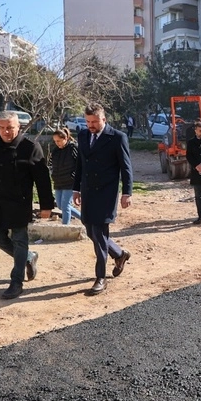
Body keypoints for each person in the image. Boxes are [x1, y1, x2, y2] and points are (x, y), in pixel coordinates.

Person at [0, 111, 54, 300]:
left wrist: (47, 205)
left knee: (20, 240)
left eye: (10, 128)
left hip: (18, 204)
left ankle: (16, 282)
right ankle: (29, 257)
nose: (6, 132)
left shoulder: (30, 147)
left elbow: (43, 180)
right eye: (2, 128)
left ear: (18, 126)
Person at [72, 103, 133, 296]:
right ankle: (119, 254)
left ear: (103, 119)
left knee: (99, 234)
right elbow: (80, 163)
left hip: (106, 193)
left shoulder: (117, 137)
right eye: (88, 121)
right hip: (88, 191)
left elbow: (126, 167)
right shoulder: (82, 135)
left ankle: (101, 277)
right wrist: (76, 189)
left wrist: (127, 192)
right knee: (91, 231)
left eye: (94, 121)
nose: (90, 125)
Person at [49, 128, 84, 225]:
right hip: (58, 182)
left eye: (59, 141)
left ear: (65, 138)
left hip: (70, 182)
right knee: (60, 206)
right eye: (55, 141)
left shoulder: (73, 148)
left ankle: (65, 228)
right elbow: (51, 164)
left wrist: (77, 179)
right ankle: (84, 219)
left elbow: (80, 165)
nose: (57, 143)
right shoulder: (55, 151)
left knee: (65, 206)